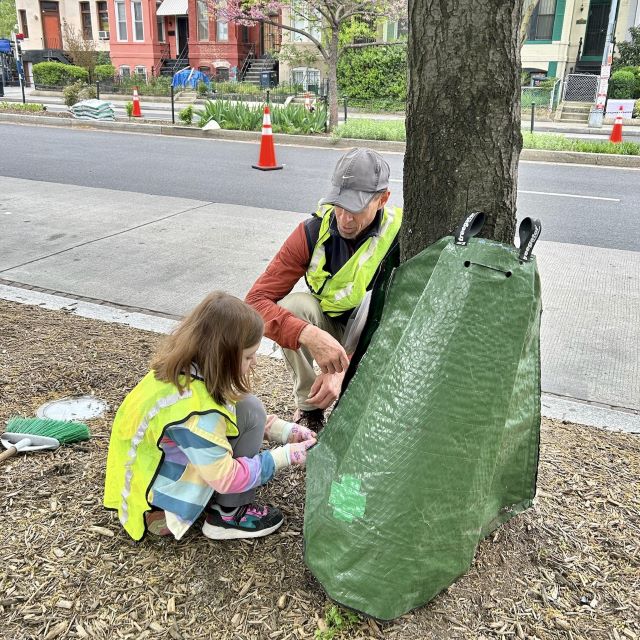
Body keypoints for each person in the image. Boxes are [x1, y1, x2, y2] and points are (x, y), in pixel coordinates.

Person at [103, 291, 316, 542]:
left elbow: (235, 411)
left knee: (249, 406)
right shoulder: (196, 415)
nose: (255, 362)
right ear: (223, 356)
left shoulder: (191, 370)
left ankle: (214, 500)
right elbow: (227, 477)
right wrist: (285, 456)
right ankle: (227, 516)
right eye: (248, 356)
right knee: (243, 429)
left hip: (156, 477)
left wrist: (286, 432)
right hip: (157, 509)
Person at [245, 147, 402, 432]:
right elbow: (255, 302)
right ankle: (310, 408)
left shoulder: (400, 238)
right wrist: (308, 333)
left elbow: (401, 321)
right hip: (333, 328)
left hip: (377, 337)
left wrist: (344, 366)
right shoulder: (312, 231)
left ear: (383, 199)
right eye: (339, 204)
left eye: (355, 208)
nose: (344, 218)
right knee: (295, 308)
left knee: (360, 417)